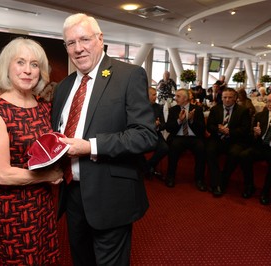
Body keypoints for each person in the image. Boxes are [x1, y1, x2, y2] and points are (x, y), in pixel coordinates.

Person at [51, 13, 157, 265]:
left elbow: (145, 135)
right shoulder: (64, 86)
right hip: (73, 193)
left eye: (84, 39)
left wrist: (91, 147)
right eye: (70, 43)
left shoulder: (128, 76)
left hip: (111, 193)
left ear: (100, 39)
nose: (78, 49)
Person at [0, 37, 63, 265]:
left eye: (34, 65)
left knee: (46, 258)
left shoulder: (43, 107)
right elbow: (2, 175)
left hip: (43, 201)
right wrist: (49, 176)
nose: (28, 71)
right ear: (7, 66)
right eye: (20, 62)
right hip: (13, 208)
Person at [205, 88, 251, 197]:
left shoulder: (243, 111)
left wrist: (230, 131)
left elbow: (245, 130)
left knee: (235, 154)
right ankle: (216, 181)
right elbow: (209, 126)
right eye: (225, 97)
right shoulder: (215, 109)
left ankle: (223, 179)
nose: (227, 100)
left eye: (230, 97)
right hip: (218, 139)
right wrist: (218, 128)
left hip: (235, 140)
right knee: (209, 150)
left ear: (235, 98)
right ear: (221, 98)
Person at [164, 89, 206, 191]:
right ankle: (170, 177)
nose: (175, 98)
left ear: (186, 98)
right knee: (174, 147)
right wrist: (179, 121)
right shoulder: (173, 110)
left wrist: (191, 120)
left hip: (194, 137)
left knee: (202, 148)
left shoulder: (197, 109)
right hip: (178, 137)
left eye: (178, 96)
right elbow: (168, 128)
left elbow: (201, 129)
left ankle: (199, 179)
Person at [239, 94, 271, 204]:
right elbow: (251, 138)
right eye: (267, 101)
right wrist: (256, 135)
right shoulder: (261, 116)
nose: (268, 104)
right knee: (244, 155)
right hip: (261, 146)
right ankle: (249, 186)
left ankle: (266, 191)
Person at [142, 87, 168, 179]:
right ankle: (147, 168)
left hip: (155, 134)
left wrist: (157, 126)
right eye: (153, 95)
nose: (156, 97)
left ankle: (148, 166)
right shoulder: (139, 107)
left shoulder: (158, 107)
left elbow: (164, 125)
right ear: (146, 96)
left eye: (156, 94)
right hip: (141, 134)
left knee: (165, 148)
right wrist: (152, 124)